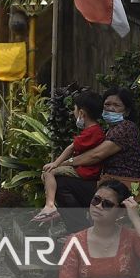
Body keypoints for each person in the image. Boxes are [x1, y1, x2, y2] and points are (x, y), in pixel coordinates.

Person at [57, 180, 140, 278]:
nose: (98, 206)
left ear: (120, 211)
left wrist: (135, 217)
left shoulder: (131, 237)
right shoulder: (75, 241)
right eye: (96, 200)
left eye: (107, 204)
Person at [54, 88, 140, 232]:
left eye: (116, 105)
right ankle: (84, 230)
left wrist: (66, 163)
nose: (111, 108)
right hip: (109, 183)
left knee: (62, 183)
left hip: (122, 187)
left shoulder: (126, 128)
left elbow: (96, 155)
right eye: (107, 104)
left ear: (126, 111)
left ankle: (80, 232)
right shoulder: (111, 129)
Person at [34, 90, 106, 223]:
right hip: (87, 171)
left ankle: (50, 206)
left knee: (48, 172)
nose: (73, 112)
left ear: (81, 113)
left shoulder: (91, 131)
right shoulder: (97, 130)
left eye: (74, 109)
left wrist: (56, 164)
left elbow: (71, 147)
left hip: (84, 172)